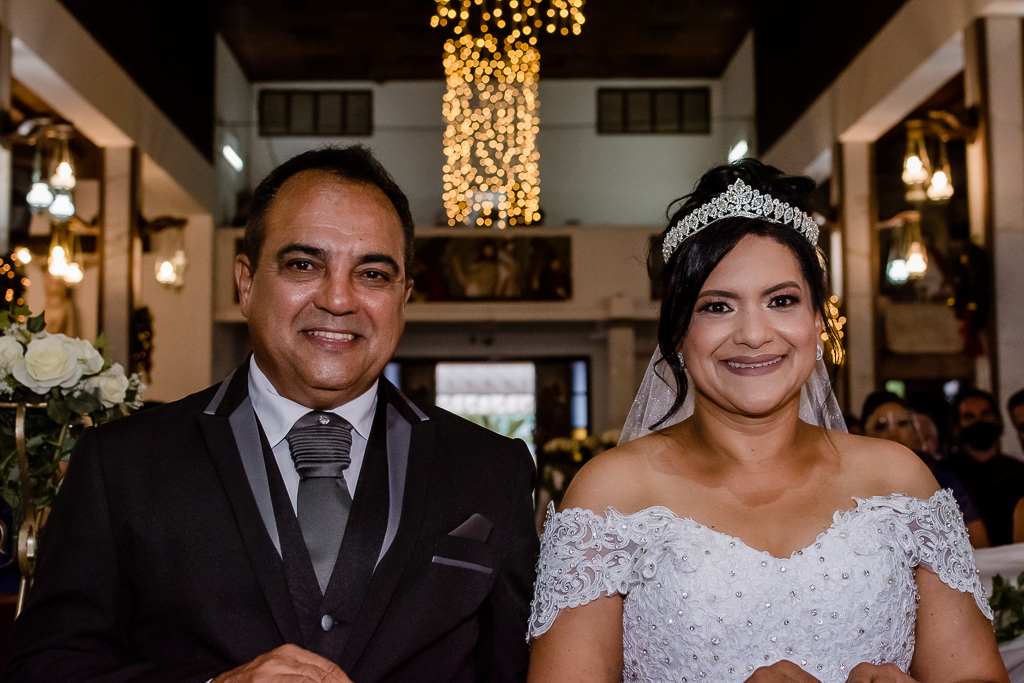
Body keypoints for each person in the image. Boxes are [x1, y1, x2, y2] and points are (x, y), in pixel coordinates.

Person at [2, 146, 539, 682]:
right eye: (304, 265)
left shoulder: (493, 470)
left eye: (373, 274)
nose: (338, 299)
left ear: (403, 298)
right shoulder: (122, 463)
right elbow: (43, 668)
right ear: (246, 282)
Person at [527, 160, 1005, 683]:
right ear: (678, 333)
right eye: (717, 307)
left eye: (782, 300)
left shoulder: (899, 481)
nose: (754, 334)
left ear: (818, 322)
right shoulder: (611, 496)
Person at [861, 391, 988, 548]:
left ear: (915, 430)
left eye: (902, 423)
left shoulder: (941, 482)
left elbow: (980, 544)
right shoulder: (855, 486)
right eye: (881, 426)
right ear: (864, 433)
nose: (893, 433)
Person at [943, 388, 1024, 546]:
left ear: (997, 420)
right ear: (957, 427)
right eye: (969, 417)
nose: (979, 421)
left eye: (985, 414)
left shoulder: (1018, 471)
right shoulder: (946, 476)